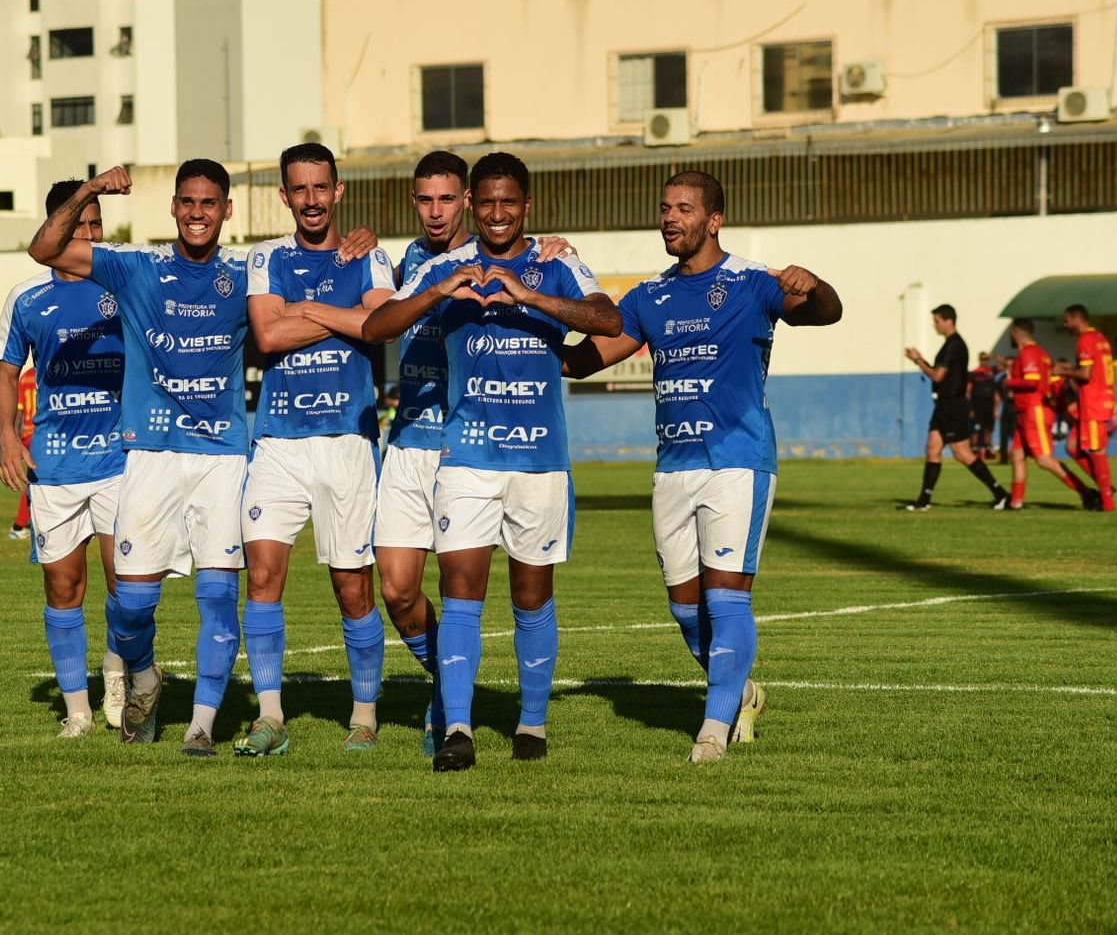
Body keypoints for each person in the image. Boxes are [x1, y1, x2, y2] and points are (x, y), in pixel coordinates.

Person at [561, 170, 841, 764]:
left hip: (738, 461)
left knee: (726, 598)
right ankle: (741, 688)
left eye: (684, 208)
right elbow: (582, 362)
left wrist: (814, 285)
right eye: (664, 207)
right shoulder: (646, 298)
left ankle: (713, 728)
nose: (669, 217)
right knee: (685, 607)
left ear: (713, 220)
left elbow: (826, 313)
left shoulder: (751, 282)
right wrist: (530, 305)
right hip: (673, 468)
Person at [364, 151, 621, 771]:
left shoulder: (557, 261)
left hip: (540, 461)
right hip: (468, 460)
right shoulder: (447, 265)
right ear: (473, 206)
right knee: (461, 594)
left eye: (510, 202)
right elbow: (377, 328)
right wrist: (438, 291)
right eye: (488, 202)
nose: (498, 213)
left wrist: (529, 294)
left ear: (526, 205)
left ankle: (531, 725)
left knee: (531, 595)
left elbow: (608, 319)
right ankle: (458, 729)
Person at [32, 161, 295, 756]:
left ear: (227, 210)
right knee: (129, 607)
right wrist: (92, 189)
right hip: (149, 457)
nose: (198, 212)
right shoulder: (136, 268)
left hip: (221, 460)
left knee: (217, 596)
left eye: (209, 203)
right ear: (173, 208)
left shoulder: (246, 274)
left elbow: (321, 267)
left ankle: (201, 725)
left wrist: (355, 242)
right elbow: (44, 247)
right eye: (187, 202)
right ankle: (145, 675)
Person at [238, 142, 395, 757]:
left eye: (320, 188)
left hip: (348, 442)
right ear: (285, 196)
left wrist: (305, 307)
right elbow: (269, 335)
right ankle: (270, 715)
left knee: (351, 585)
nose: (310, 200)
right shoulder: (264, 258)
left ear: (339, 191)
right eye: (298, 189)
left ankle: (364, 714)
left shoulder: (372, 256)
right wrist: (342, 313)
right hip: (277, 442)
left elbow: (380, 324)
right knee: (263, 577)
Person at [0, 178, 129, 739]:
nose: (92, 235)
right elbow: (5, 374)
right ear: (58, 228)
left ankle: (120, 681)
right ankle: (77, 711)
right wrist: (7, 437)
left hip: (122, 462)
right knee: (62, 588)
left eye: (98, 225)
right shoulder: (26, 298)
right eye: (81, 226)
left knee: (128, 587)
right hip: (55, 468)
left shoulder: (126, 281)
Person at [904, 305, 1010, 511]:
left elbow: (937, 376)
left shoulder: (954, 345)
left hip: (953, 405)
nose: (934, 325)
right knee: (933, 449)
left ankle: (1000, 494)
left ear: (948, 321)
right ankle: (924, 501)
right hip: (943, 405)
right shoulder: (950, 345)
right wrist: (922, 360)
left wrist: (917, 360)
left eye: (937, 321)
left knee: (962, 454)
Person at [1006, 319, 1098, 510]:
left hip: (1034, 410)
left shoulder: (1029, 353)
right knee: (1017, 455)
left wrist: (1010, 382)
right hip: (1027, 411)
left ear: (1015, 332)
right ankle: (1015, 502)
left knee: (1044, 459)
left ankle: (1087, 493)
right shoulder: (1042, 353)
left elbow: (1032, 382)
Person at [1056, 304, 1116, 511]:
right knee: (1072, 447)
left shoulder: (1085, 340)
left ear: (1075, 318)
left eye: (1067, 320)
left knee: (1097, 450)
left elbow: (1086, 375)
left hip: (1093, 401)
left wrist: (1061, 372)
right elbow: (1101, 370)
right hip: (1098, 399)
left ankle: (1107, 502)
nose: (1066, 325)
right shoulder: (1100, 338)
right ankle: (1106, 486)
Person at [8, 365, 38, 540]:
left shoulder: (25, 376)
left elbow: (19, 411)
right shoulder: (51, 370)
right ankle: (19, 526)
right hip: (42, 434)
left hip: (28, 434)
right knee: (35, 483)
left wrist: (16, 437)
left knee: (38, 481)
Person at [969, 352, 999, 460]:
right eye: (983, 359)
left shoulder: (991, 372)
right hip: (977, 405)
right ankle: (974, 450)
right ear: (979, 360)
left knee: (988, 429)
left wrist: (993, 356)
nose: (985, 361)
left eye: (986, 359)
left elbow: (1005, 365)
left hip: (989, 406)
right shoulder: (974, 373)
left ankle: (988, 451)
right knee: (976, 429)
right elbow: (968, 391)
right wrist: (970, 408)